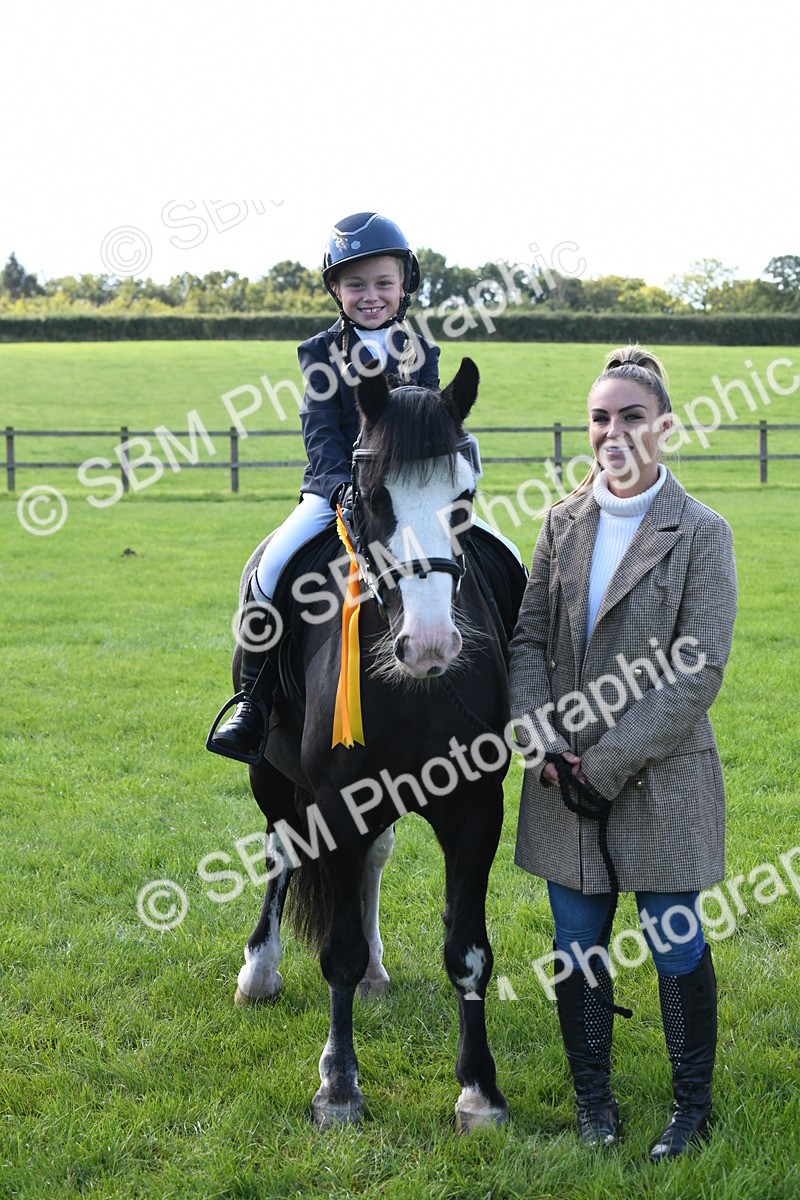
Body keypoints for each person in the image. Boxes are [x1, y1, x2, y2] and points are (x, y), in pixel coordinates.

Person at [507, 345, 737, 1159]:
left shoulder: (701, 531)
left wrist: (603, 766)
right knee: (576, 944)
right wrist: (540, 741)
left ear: (664, 427)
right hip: (558, 775)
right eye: (601, 416)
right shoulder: (561, 523)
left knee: (674, 938)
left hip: (660, 776)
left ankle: (691, 1108)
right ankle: (593, 1103)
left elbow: (699, 667)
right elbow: (528, 637)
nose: (613, 430)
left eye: (631, 416)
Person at [207, 212, 441, 762]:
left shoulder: (420, 348)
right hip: (333, 491)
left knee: (496, 553)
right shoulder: (318, 351)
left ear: (404, 285)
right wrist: (339, 487)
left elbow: (433, 420)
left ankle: (503, 680)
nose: (371, 296)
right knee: (268, 573)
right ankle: (254, 701)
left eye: (383, 282)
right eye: (356, 284)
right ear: (335, 288)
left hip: (411, 493)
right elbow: (319, 428)